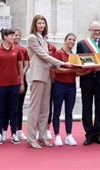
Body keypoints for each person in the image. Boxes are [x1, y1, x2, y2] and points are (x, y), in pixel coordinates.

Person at [25, 15, 72, 149]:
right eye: (39, 23)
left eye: (43, 23)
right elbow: (43, 55)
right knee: (35, 108)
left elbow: (47, 58)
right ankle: (31, 138)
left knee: (45, 109)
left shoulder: (44, 39)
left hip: (47, 75)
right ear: (35, 24)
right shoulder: (32, 38)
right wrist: (62, 63)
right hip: (37, 75)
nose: (42, 26)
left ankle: (43, 136)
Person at [76, 21, 100, 145]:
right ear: (89, 30)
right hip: (86, 80)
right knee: (87, 108)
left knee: (99, 108)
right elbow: (78, 61)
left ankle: (97, 133)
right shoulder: (82, 44)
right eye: (94, 30)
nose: (97, 32)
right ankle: (89, 134)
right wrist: (87, 67)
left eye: (98, 30)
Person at [52, 33, 86, 146]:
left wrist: (87, 71)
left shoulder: (74, 56)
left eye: (73, 40)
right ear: (65, 40)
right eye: (70, 39)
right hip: (59, 85)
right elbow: (56, 70)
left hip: (71, 86)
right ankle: (56, 135)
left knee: (69, 112)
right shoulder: (58, 52)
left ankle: (69, 135)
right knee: (56, 111)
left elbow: (75, 72)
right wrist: (70, 70)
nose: (72, 41)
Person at [0, 28, 24, 144]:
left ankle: (14, 134)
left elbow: (20, 67)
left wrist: (21, 83)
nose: (13, 38)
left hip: (14, 84)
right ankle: (0, 133)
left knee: (14, 110)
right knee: (0, 110)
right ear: (4, 37)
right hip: (0, 84)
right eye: (11, 36)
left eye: (14, 36)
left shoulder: (17, 50)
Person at [13, 29, 29, 141]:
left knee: (19, 107)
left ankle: (19, 130)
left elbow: (26, 64)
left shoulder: (23, 50)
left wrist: (20, 75)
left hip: (22, 80)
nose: (16, 37)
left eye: (19, 35)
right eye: (14, 35)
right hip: (9, 81)